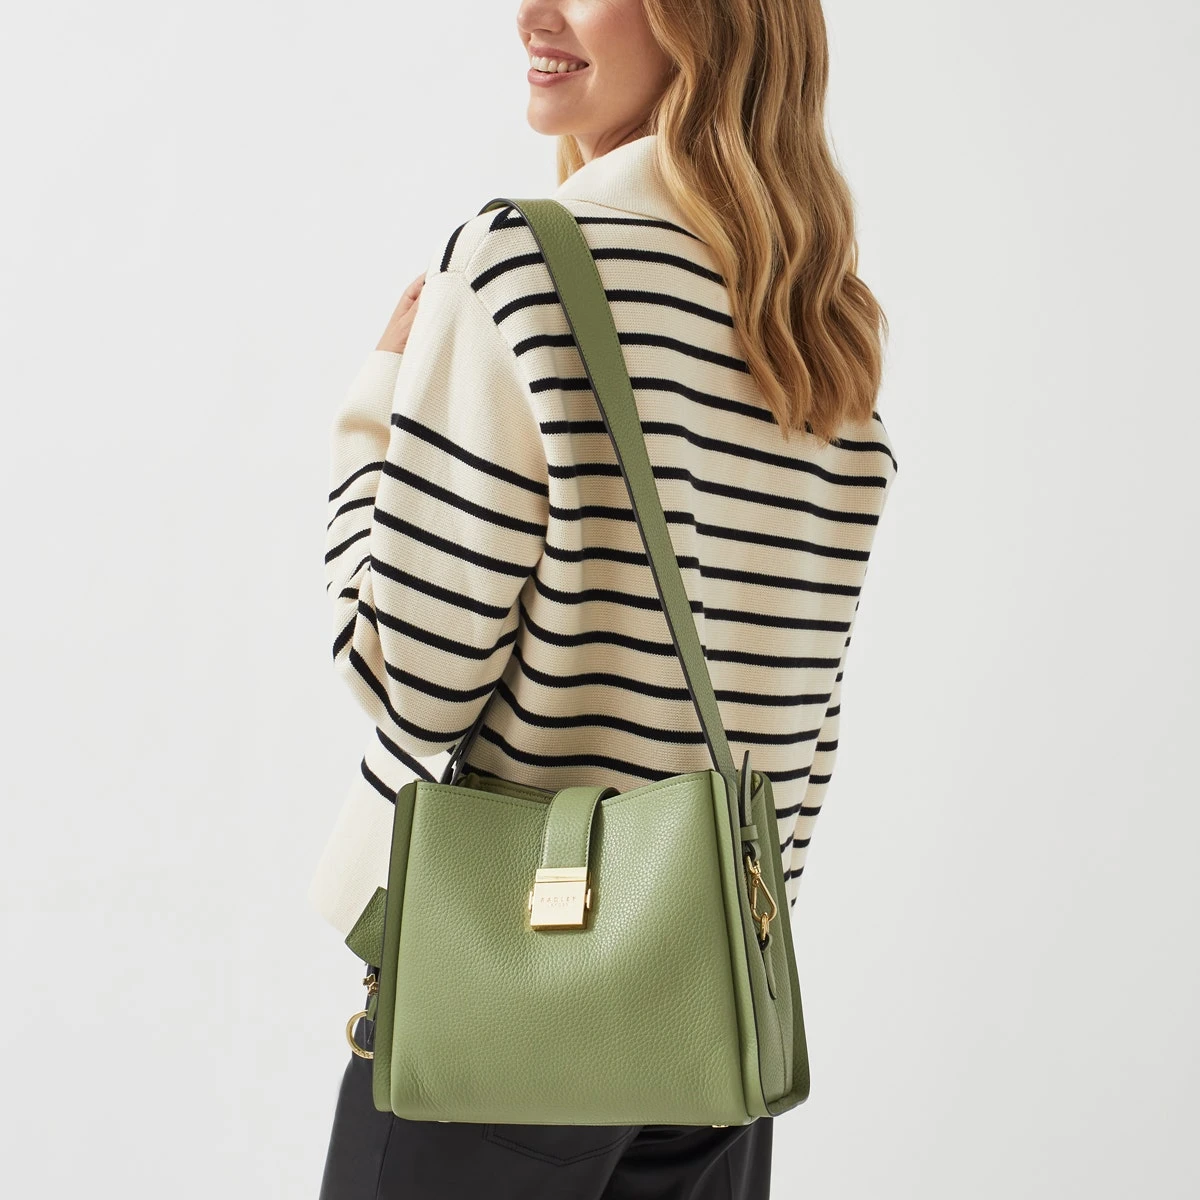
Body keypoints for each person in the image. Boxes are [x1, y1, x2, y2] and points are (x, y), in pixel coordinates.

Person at [312, 0, 900, 1195]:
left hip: (510, 1004)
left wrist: (374, 411)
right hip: (714, 1026)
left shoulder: (522, 263)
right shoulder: (819, 321)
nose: (532, 13)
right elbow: (802, 729)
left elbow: (408, 678)